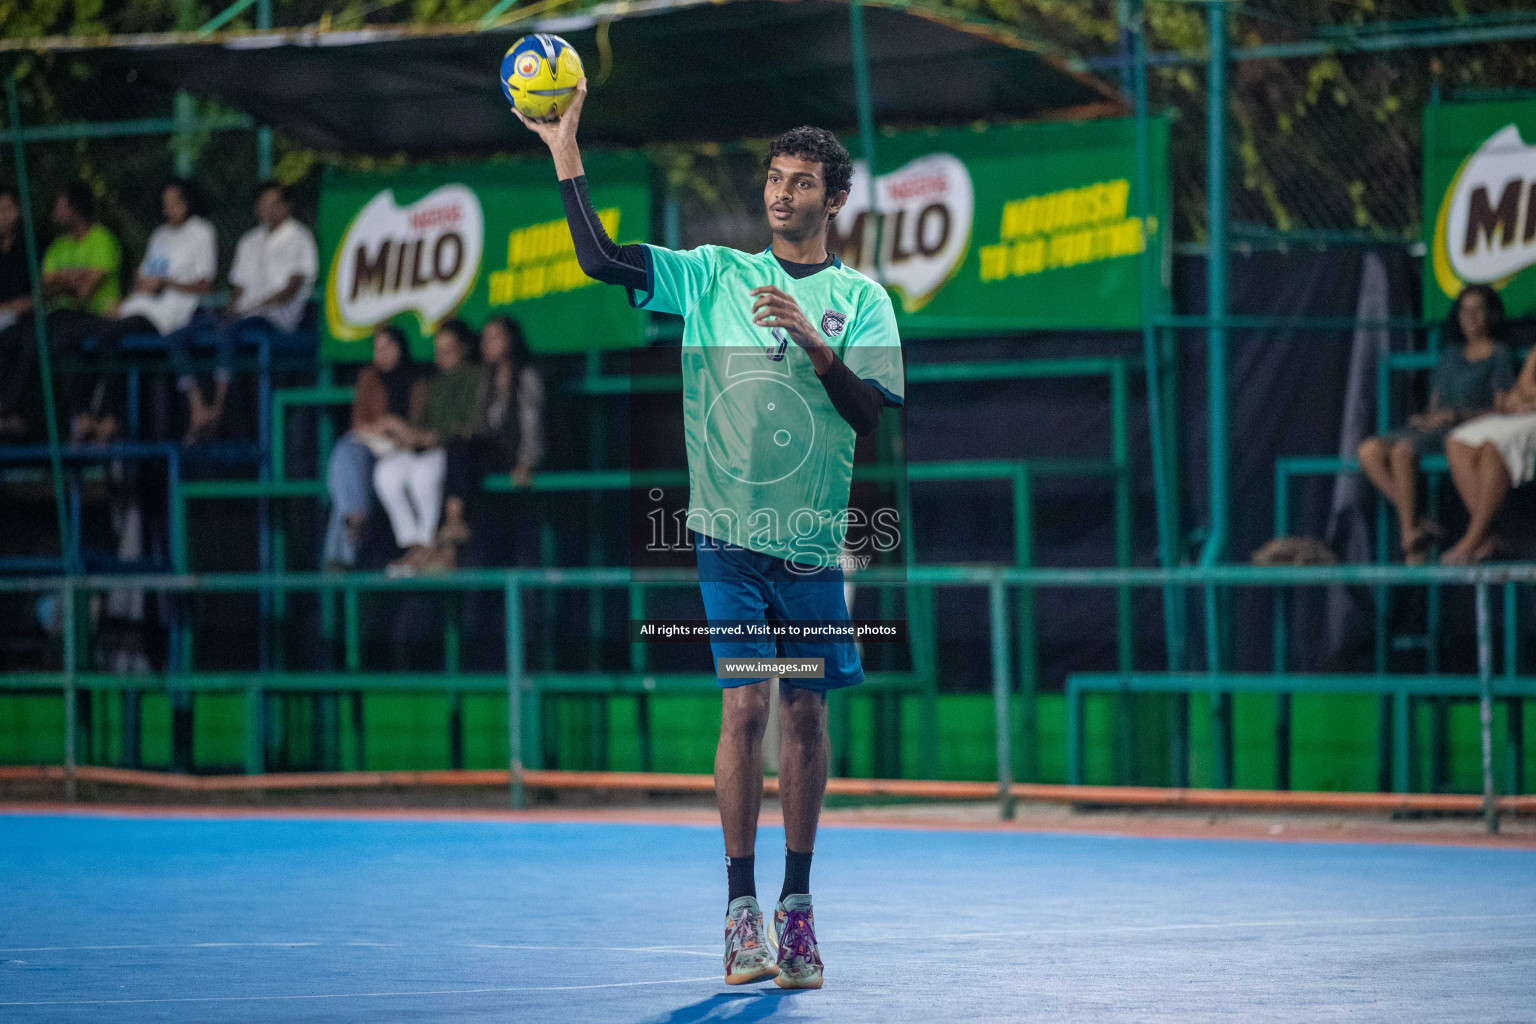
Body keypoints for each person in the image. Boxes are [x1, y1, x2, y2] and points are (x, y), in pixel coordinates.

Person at [518, 82, 903, 990]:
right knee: (747, 707)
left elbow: (865, 420)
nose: (781, 193)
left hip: (809, 545)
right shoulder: (714, 275)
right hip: (726, 537)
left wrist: (817, 344)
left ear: (834, 198)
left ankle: (797, 910)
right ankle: (738, 914)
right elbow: (601, 259)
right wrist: (563, 147)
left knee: (805, 710)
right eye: (774, 177)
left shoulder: (865, 302)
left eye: (801, 181)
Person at [1355, 285, 1513, 564]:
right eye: (1465, 310)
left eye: (1478, 310)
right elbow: (1435, 403)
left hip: (1465, 432)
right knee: (1369, 451)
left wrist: (1456, 416)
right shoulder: (1450, 354)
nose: (1471, 317)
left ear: (1491, 314)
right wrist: (1427, 418)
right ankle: (1418, 521)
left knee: (1403, 451)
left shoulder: (1499, 353)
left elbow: (1502, 410)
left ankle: (1410, 542)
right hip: (1432, 430)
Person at [168, 179, 317, 443]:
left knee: (228, 330)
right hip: (243, 315)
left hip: (275, 320)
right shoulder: (249, 241)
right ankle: (198, 409)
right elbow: (238, 290)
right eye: (262, 204)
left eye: (273, 204)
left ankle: (218, 407)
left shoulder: (300, 238)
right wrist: (232, 308)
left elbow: (291, 289)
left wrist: (253, 306)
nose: (266, 210)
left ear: (287, 206)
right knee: (178, 335)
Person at [72, 178, 216, 444]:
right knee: (84, 335)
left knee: (109, 337)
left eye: (175, 203)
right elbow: (145, 281)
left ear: (187, 203)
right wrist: (124, 301)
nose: (169, 209)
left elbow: (205, 285)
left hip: (166, 315)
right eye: (166, 204)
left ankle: (114, 416)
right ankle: (84, 415)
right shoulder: (159, 236)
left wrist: (165, 283)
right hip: (140, 306)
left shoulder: (201, 232)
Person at [372, 319, 480, 576]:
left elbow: (469, 426)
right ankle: (413, 543)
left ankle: (429, 545)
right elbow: (421, 423)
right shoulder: (435, 382)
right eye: (438, 350)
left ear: (464, 349)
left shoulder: (475, 377)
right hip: (421, 447)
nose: (441, 357)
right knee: (386, 473)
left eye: (448, 350)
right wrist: (404, 434)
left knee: (423, 477)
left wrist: (431, 437)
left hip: (449, 449)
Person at [436, 315, 544, 556]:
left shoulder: (526, 377)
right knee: (457, 446)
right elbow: (482, 426)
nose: (487, 344)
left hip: (513, 455)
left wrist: (526, 463)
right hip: (490, 455)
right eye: (485, 338)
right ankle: (453, 527)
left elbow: (532, 426)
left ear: (511, 340)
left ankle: (453, 532)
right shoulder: (486, 379)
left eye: (495, 337)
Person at [323, 324, 428, 570]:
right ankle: (355, 517)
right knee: (346, 450)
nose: (383, 353)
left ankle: (341, 551)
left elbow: (422, 429)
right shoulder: (368, 378)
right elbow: (358, 423)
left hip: (404, 450)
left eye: (388, 346)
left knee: (346, 477)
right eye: (377, 348)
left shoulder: (418, 381)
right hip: (372, 447)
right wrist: (379, 427)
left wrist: (398, 429)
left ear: (400, 348)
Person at [1442, 338, 1536, 564]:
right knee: (1458, 441)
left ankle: (1472, 540)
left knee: (1491, 449)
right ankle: (1487, 536)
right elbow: (1524, 385)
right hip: (1524, 412)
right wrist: (1520, 400)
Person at [0, 186, 37, 438]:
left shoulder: (31, 246)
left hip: (23, 319)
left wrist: (20, 305)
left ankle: (8, 409)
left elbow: (43, 292)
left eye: (6, 209)